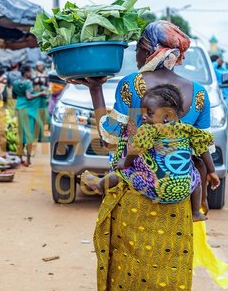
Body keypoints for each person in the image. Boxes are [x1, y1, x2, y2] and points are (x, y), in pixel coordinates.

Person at [72, 20, 213, 291]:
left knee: (133, 285)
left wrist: (97, 91)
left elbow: (115, 145)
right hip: (177, 212)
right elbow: (200, 154)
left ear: (146, 50)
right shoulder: (198, 96)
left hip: (135, 204)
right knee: (171, 290)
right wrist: (200, 201)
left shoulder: (132, 87)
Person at [82, 84, 219, 221]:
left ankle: (100, 185)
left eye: (150, 113)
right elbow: (203, 150)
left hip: (155, 188)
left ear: (166, 116)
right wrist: (212, 172)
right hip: (182, 190)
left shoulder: (149, 130)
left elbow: (135, 149)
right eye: (143, 112)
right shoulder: (188, 130)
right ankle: (195, 212)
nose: (144, 117)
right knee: (195, 178)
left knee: (122, 174)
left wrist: (125, 163)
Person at [11, 65, 46, 166]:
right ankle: (28, 160)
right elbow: (29, 96)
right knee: (29, 135)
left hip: (19, 109)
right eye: (31, 72)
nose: (32, 74)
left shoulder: (15, 83)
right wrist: (40, 94)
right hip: (28, 111)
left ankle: (19, 158)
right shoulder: (28, 83)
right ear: (26, 72)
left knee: (21, 134)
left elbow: (14, 96)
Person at [211, 52, 228, 171]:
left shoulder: (218, 73)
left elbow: (211, 68)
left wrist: (216, 63)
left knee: (226, 137)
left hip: (224, 107)